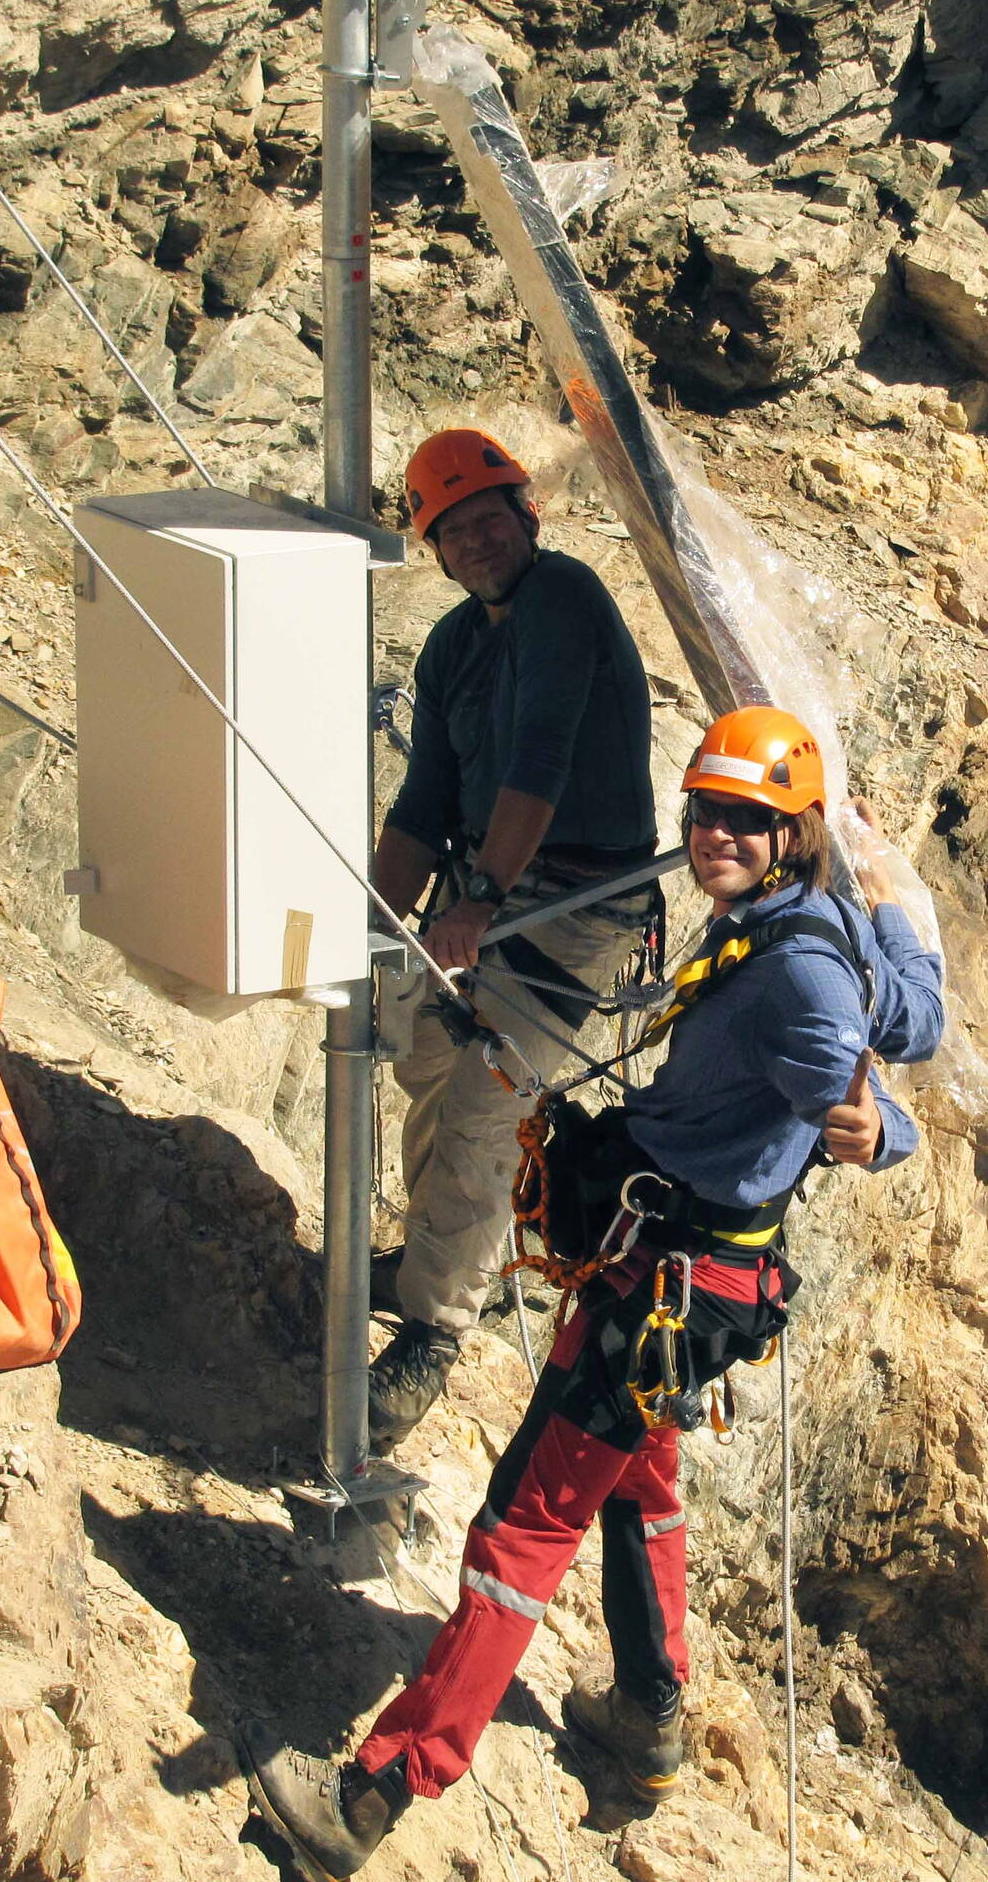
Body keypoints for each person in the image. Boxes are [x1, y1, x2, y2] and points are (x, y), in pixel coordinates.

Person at [243, 707, 945, 1878]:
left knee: (524, 1521)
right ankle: (648, 1713)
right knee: (641, 1479)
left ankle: (374, 1794)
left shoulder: (801, 969)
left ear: (790, 832)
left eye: (743, 819)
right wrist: (896, 917)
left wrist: (880, 1132)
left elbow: (849, 1074)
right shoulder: (805, 920)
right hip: (697, 1275)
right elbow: (905, 1015)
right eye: (703, 812)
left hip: (663, 1286)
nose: (712, 834)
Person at [367, 427, 659, 1454]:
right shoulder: (454, 645)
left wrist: (479, 895)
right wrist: (376, 916)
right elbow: (423, 801)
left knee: (490, 1100)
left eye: (491, 519)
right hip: (495, 885)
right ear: (437, 552)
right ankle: (437, 1255)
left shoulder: (563, 600)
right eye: (455, 531)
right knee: (424, 1056)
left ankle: (434, 1328)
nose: (477, 542)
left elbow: (540, 754)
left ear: (524, 521)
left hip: (577, 898)